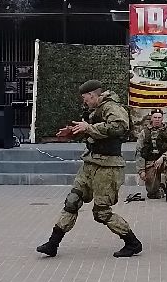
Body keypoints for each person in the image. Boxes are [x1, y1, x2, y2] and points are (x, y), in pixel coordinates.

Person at [36, 80, 142, 259]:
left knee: (101, 212)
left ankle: (132, 243)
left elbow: (120, 126)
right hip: (91, 163)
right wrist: (74, 131)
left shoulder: (111, 106)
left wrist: (89, 127)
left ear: (93, 95)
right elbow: (93, 133)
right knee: (73, 200)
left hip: (108, 166)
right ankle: (52, 244)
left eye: (85, 99)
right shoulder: (95, 110)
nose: (84, 102)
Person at [136, 109, 167, 202]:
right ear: (151, 118)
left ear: (162, 118)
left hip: (163, 160)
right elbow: (139, 152)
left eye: (159, 117)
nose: (157, 119)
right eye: (155, 117)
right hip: (150, 162)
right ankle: (161, 187)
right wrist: (141, 171)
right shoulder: (144, 133)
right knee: (152, 193)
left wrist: (163, 157)